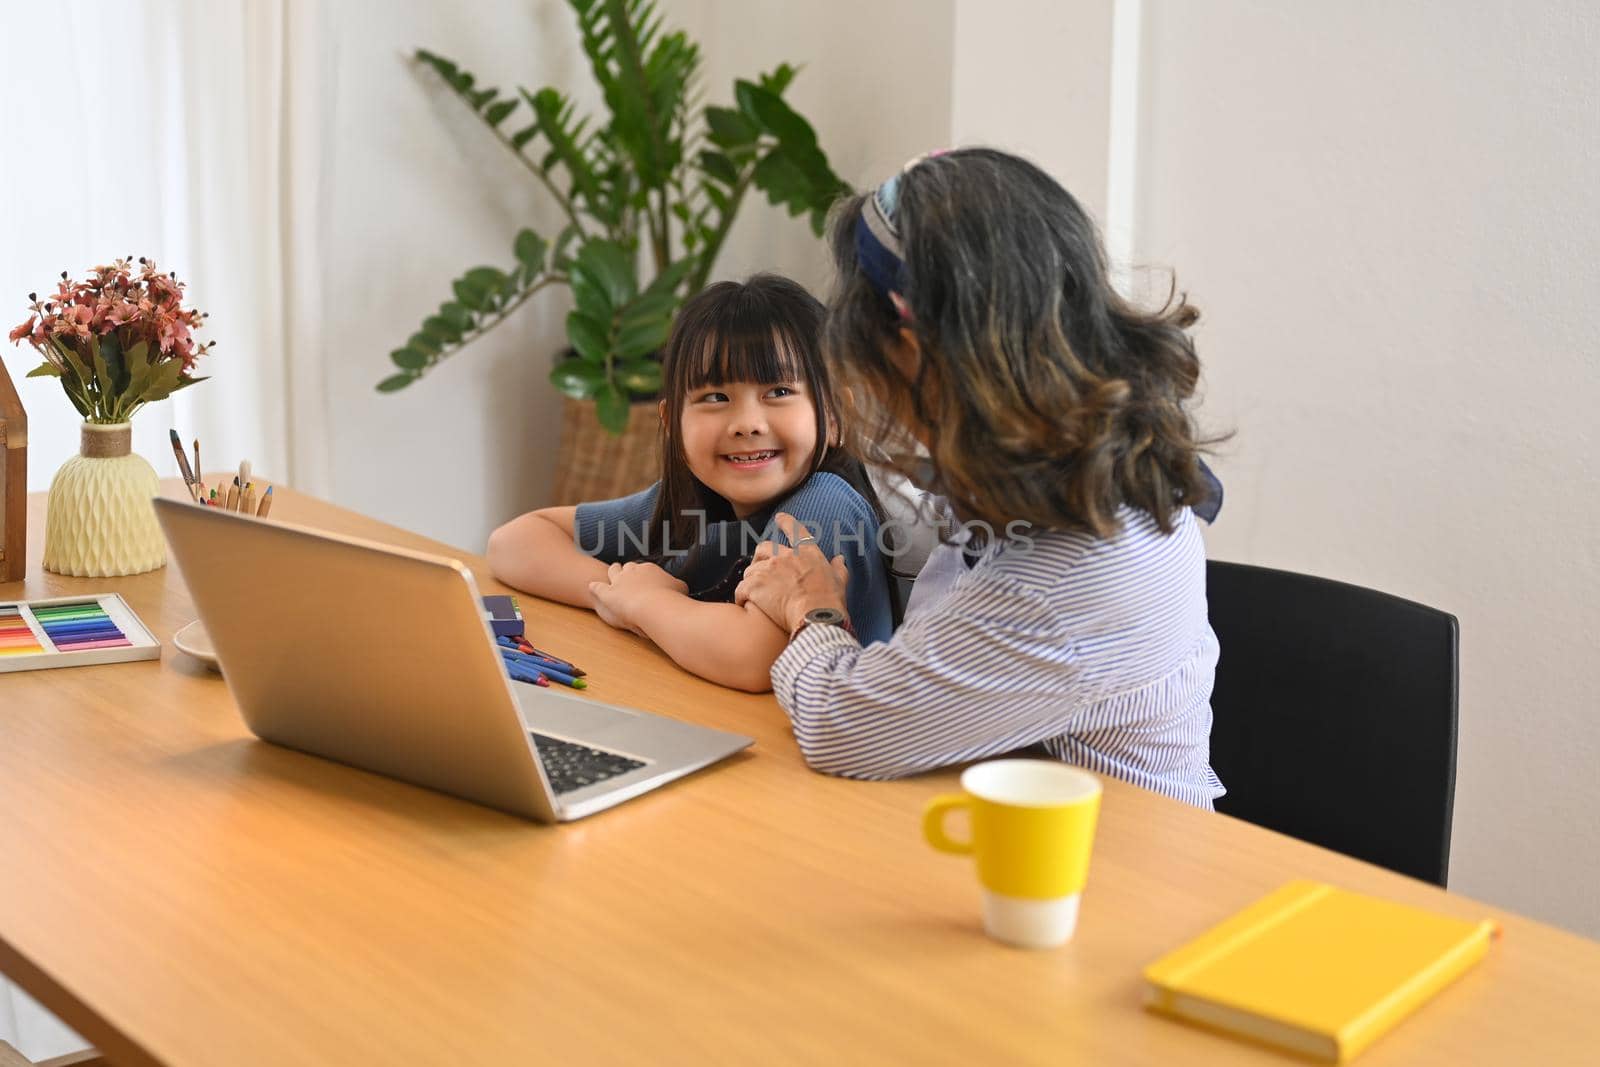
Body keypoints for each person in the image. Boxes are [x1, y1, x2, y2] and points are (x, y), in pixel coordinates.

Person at [734, 148, 1226, 807]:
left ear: (911, 354)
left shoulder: (1068, 575)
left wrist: (811, 605)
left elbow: (838, 726)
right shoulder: (1063, 464)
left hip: (1101, 880)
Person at [488, 274, 895, 693]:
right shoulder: (691, 501)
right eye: (715, 397)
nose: (747, 424)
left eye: (778, 390)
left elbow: (751, 658)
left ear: (834, 417)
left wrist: (644, 603)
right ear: (671, 423)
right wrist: (616, 595)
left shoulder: (824, 504)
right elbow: (515, 542)